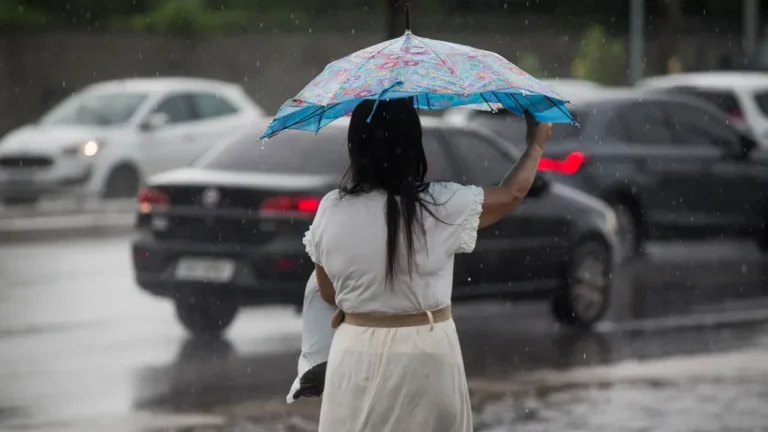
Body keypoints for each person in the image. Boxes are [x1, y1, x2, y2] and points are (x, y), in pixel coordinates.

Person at [302, 98, 552, 432]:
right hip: (427, 353)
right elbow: (512, 193)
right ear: (413, 145)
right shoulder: (441, 205)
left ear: (355, 147)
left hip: (355, 353)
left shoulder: (331, 209)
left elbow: (329, 292)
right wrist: (535, 145)